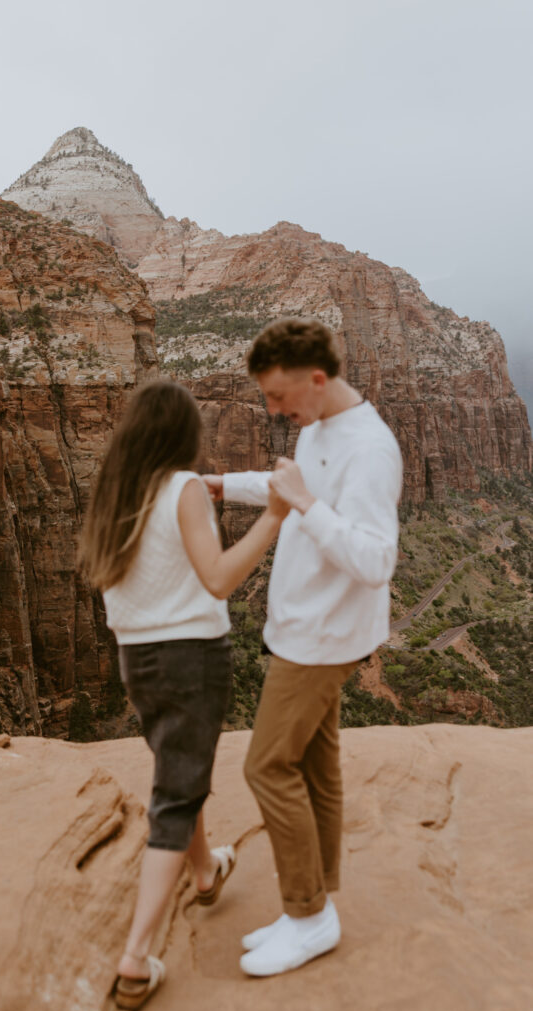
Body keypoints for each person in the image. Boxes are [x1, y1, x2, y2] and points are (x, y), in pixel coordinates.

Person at [203, 317, 403, 977]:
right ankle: (319, 903)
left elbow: (375, 559)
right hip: (302, 627)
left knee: (265, 767)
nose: (273, 409)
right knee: (316, 767)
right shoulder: (318, 427)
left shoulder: (369, 449)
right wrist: (217, 486)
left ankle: (307, 913)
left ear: (317, 379)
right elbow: (286, 487)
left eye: (278, 395)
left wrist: (304, 505)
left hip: (321, 639)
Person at [81, 379, 289, 1011]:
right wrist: (274, 518)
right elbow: (221, 578)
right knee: (176, 794)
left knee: (180, 771)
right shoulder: (183, 489)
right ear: (182, 434)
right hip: (190, 659)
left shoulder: (116, 495)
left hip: (135, 660)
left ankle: (205, 873)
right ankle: (136, 958)